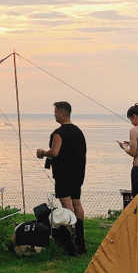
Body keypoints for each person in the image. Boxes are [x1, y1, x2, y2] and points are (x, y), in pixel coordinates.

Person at [36, 102, 87, 254]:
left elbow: (55, 152)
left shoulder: (59, 133)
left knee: (67, 206)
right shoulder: (79, 131)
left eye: (56, 112)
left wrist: (43, 152)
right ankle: (80, 240)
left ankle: (71, 244)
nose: (54, 114)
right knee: (77, 203)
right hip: (78, 173)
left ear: (62, 113)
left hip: (64, 174)